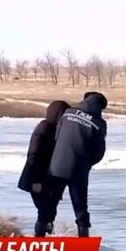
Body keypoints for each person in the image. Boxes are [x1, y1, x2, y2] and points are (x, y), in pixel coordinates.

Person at [45, 92, 108, 237]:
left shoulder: (67, 113)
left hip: (57, 167)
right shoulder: (99, 124)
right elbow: (98, 152)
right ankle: (83, 242)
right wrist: (86, 163)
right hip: (79, 171)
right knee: (80, 208)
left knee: (49, 203)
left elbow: (57, 136)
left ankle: (40, 236)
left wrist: (58, 156)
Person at [17, 100, 71, 237]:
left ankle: (46, 237)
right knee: (45, 211)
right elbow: (33, 155)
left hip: (47, 177)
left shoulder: (56, 129)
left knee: (48, 210)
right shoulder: (45, 128)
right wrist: (35, 180)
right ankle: (40, 240)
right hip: (37, 178)